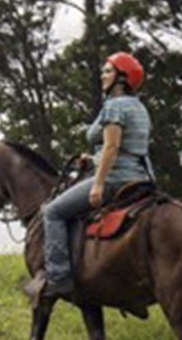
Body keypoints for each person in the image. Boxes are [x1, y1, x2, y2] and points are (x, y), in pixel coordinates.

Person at [27, 52, 154, 301]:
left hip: (115, 179)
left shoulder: (114, 106)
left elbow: (112, 147)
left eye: (108, 71)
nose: (102, 75)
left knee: (52, 212)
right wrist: (92, 158)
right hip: (141, 178)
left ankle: (59, 278)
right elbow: (127, 147)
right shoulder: (139, 107)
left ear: (121, 78)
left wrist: (97, 183)